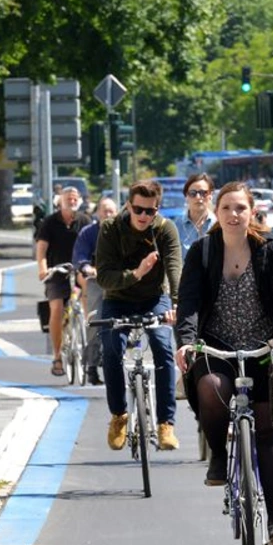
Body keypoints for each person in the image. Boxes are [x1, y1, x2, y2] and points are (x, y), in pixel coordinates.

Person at [175, 182, 273, 545]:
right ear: (217, 213)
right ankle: (218, 453)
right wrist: (186, 342)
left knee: (269, 429)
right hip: (217, 348)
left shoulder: (270, 252)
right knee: (211, 388)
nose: (234, 215)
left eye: (241, 209)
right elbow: (188, 304)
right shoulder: (202, 252)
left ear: (252, 213)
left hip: (264, 347)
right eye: (227, 208)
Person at [95, 179, 182, 451]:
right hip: (117, 300)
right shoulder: (110, 228)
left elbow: (174, 267)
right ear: (128, 205)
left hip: (154, 299)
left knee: (163, 348)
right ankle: (119, 415)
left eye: (150, 211)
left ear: (157, 209)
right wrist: (137, 273)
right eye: (138, 209)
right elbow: (104, 277)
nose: (143, 216)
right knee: (110, 349)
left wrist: (177, 304)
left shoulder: (166, 230)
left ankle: (166, 423)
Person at [36, 186, 92, 376]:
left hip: (79, 267)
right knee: (57, 308)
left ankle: (87, 323)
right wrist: (43, 268)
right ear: (60, 201)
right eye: (68, 198)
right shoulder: (50, 222)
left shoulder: (85, 220)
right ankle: (57, 355)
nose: (72, 201)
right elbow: (42, 249)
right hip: (57, 270)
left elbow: (94, 244)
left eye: (75, 198)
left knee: (87, 287)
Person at [71, 196, 119, 385]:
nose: (107, 214)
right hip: (96, 281)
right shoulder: (88, 233)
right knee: (96, 319)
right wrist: (87, 268)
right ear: (98, 212)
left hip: (119, 281)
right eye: (104, 210)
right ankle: (91, 366)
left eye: (111, 210)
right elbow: (80, 257)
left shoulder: (122, 231)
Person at [173, 173, 216, 259]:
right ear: (186, 196)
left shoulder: (219, 224)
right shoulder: (176, 226)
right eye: (193, 193)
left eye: (203, 193)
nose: (198, 197)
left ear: (210, 195)